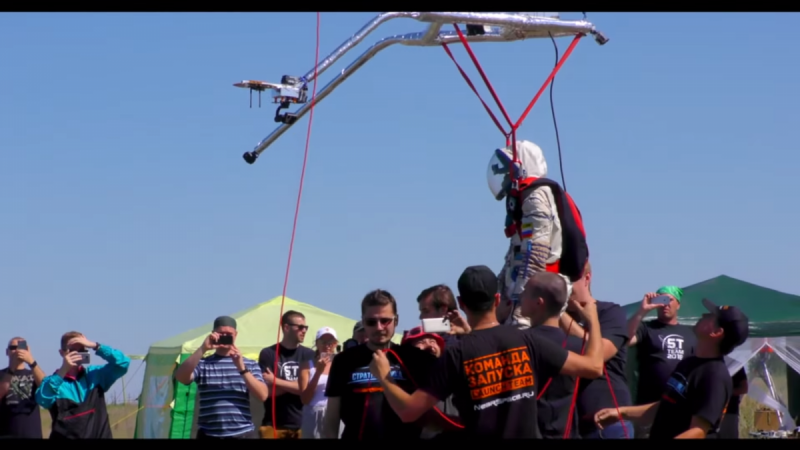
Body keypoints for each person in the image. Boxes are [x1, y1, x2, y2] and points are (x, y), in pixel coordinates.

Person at [367, 265, 605, 439]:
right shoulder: (527, 340)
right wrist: (592, 321)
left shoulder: (457, 353)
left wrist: (384, 377)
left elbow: (409, 411)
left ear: (461, 303)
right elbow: (594, 367)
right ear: (497, 298)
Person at [594, 299, 750, 439]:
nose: (703, 315)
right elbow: (665, 405)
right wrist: (621, 412)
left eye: (710, 316)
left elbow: (697, 432)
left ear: (716, 332)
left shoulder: (714, 375)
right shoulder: (688, 363)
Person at [487, 141, 588, 331]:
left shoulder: (536, 196)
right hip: (527, 292)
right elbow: (515, 256)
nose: (504, 176)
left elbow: (534, 255)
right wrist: (498, 292)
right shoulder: (526, 195)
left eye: (507, 170)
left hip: (538, 296)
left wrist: (520, 312)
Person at [322, 289, 437, 440]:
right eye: (371, 322)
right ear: (363, 322)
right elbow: (331, 419)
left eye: (385, 321)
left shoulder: (413, 358)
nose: (379, 327)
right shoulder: (344, 360)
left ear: (396, 320)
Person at [559, 261, 633, 438]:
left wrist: (559, 311)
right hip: (572, 427)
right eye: (560, 280)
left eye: (569, 280)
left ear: (587, 278)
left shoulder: (609, 312)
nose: (564, 286)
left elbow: (601, 353)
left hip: (608, 424)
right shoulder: (550, 318)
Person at [174, 316, 267, 439]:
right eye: (221, 334)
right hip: (209, 433)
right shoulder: (203, 364)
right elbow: (181, 377)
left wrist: (241, 368)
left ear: (236, 335)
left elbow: (262, 395)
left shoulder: (249, 364)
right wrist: (203, 349)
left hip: (242, 433)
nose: (225, 337)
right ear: (213, 335)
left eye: (229, 334)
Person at [520, 272, 585, 439]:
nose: (520, 295)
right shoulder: (578, 346)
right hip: (568, 433)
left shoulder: (520, 342)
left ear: (538, 302)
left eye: (525, 292)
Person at [626, 287, 697, 437]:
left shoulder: (690, 334)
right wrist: (642, 310)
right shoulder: (647, 328)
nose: (665, 304)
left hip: (679, 408)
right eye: (661, 300)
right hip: (646, 409)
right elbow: (625, 339)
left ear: (678, 304)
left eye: (669, 300)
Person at [35, 332, 130, 438]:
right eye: (72, 351)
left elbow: (123, 363)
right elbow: (43, 400)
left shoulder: (95, 375)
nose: (77, 355)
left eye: (82, 350)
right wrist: (63, 370)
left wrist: (96, 346)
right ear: (62, 353)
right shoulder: (53, 382)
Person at [258, 310, 315, 439]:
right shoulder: (268, 353)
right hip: (273, 426)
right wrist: (296, 386)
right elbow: (266, 392)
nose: (304, 330)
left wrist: (276, 381)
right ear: (286, 327)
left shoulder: (309, 355)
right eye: (300, 327)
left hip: (302, 426)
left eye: (306, 327)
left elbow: (306, 390)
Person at [400, 326, 461, 440]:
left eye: (433, 341)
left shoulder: (453, 374)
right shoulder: (402, 380)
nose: (429, 345)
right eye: (421, 342)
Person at [298, 327, 343, 439]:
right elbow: (305, 399)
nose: (327, 345)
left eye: (331, 342)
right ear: (317, 343)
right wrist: (318, 372)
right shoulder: (306, 366)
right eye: (323, 341)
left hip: (336, 413)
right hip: (313, 413)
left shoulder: (341, 364)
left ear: (336, 344)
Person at [0, 337, 45, 438]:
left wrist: (32, 362)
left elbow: (46, 388)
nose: (17, 351)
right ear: (7, 352)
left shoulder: (34, 373)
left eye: (21, 347)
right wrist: (11, 369)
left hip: (32, 434)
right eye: (13, 348)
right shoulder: (1, 375)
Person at [714, 368, 747, 439]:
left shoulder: (736, 366)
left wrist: (727, 392)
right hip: (711, 413)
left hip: (729, 413)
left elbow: (744, 388)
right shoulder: (711, 364)